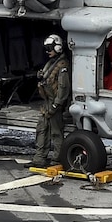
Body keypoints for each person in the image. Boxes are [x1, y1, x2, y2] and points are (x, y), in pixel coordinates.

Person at [31, 34, 71, 168]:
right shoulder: (52, 63)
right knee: (42, 129)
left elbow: (63, 88)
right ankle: (40, 158)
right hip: (47, 102)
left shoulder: (62, 65)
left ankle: (57, 159)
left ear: (58, 48)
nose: (48, 51)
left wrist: (56, 105)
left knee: (56, 132)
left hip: (55, 103)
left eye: (50, 48)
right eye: (46, 48)